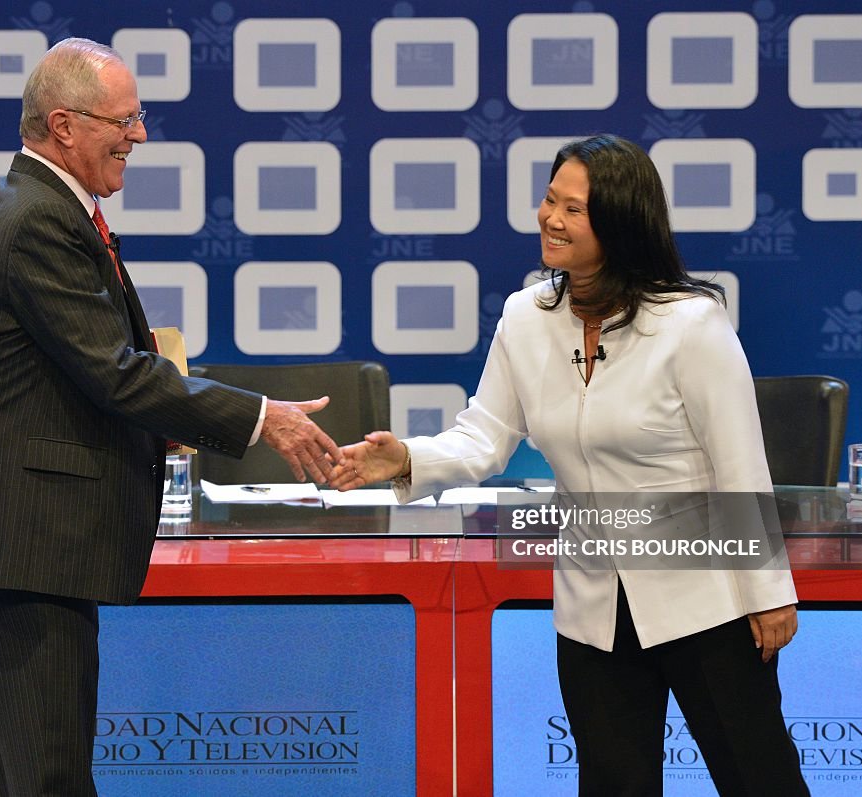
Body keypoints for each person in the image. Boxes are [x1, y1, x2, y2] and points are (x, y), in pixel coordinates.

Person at [0, 38, 342, 796]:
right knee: (45, 774)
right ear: (66, 125)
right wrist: (259, 418)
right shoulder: (39, 219)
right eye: (127, 118)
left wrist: (167, 418)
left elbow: (86, 373)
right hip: (13, 540)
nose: (139, 135)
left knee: (23, 771)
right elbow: (115, 372)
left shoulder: (47, 207)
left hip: (24, 539)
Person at [331, 134, 809, 795]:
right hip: (594, 605)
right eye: (549, 199)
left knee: (760, 779)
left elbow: (740, 465)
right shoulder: (525, 318)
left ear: (619, 221)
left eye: (573, 208)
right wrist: (409, 456)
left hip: (709, 600)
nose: (550, 218)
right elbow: (486, 435)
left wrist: (770, 591)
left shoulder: (691, 324)